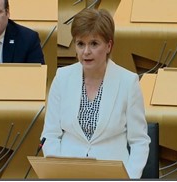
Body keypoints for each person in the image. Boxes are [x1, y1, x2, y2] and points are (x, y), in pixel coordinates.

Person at [40, 8, 150, 179]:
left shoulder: (129, 82)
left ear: (109, 45)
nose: (86, 52)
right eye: (80, 44)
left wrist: (130, 177)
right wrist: (58, 172)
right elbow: (50, 135)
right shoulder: (62, 77)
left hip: (112, 176)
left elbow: (139, 142)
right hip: (68, 175)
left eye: (94, 44)